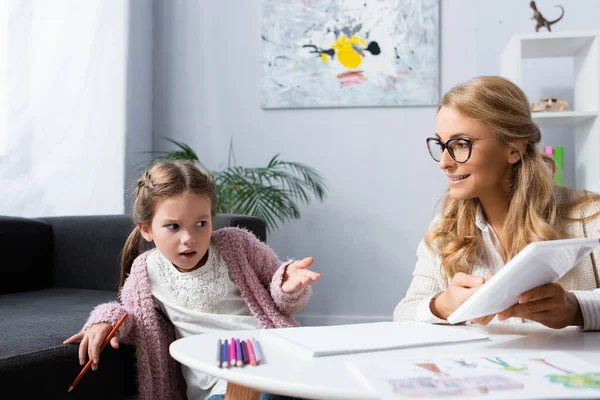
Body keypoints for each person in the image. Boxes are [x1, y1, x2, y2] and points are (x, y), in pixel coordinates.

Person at [64, 159, 321, 400]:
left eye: (200, 223)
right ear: (146, 230)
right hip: (218, 383)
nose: (189, 238)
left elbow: (282, 298)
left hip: (275, 363)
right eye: (173, 227)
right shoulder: (146, 271)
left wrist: (286, 286)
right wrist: (104, 321)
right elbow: (132, 319)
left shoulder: (237, 244)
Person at [393, 76, 600, 331]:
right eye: (441, 145)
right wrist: (443, 305)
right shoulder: (443, 231)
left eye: (461, 144)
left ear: (513, 148)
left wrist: (577, 309)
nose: (444, 162)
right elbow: (404, 313)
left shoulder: (590, 217)